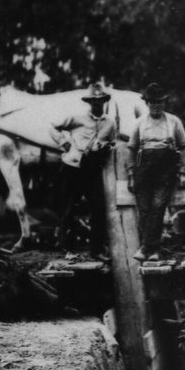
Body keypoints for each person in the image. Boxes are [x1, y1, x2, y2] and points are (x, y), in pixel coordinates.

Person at [50, 81, 117, 258]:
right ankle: (67, 249)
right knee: (68, 208)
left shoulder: (110, 122)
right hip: (73, 166)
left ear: (104, 102)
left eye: (101, 101)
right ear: (89, 102)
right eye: (94, 102)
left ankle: (96, 250)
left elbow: (113, 141)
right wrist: (63, 142)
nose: (97, 105)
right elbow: (53, 127)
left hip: (93, 168)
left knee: (99, 208)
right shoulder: (77, 117)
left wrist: (105, 148)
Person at [128, 83, 185, 262]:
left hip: (165, 169)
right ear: (147, 103)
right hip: (144, 169)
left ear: (165, 103)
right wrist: (131, 175)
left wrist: (184, 171)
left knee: (158, 206)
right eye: (153, 102)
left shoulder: (173, 121)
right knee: (144, 209)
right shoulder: (139, 123)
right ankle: (152, 248)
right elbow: (131, 149)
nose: (156, 106)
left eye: (160, 102)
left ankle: (148, 248)